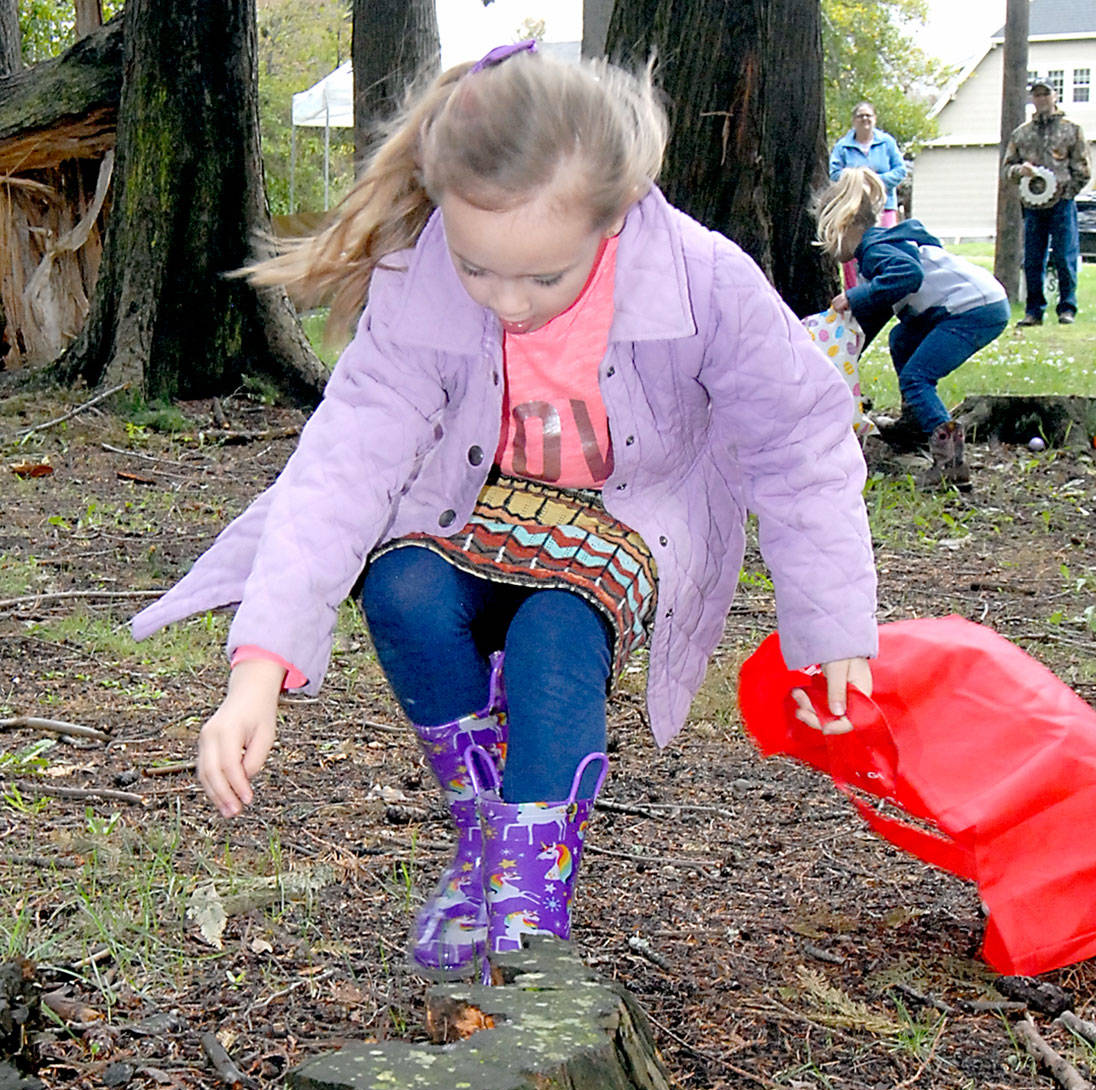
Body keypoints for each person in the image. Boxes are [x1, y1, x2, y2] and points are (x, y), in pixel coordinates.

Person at [132, 44, 878, 978]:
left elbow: (800, 436)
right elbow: (342, 467)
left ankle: (528, 913)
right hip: (480, 502)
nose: (508, 304)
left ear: (614, 218)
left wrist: (832, 616)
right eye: (479, 269)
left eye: (542, 278)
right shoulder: (422, 281)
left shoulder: (702, 279)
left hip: (628, 514)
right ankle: (489, 833)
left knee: (555, 642)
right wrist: (259, 666)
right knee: (401, 587)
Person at [818, 167, 1009, 491]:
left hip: (974, 309)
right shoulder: (876, 254)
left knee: (917, 377)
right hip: (964, 306)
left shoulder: (876, 250)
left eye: (827, 235)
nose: (828, 248)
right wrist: (839, 352)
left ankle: (951, 463)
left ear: (845, 224)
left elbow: (909, 276)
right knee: (902, 338)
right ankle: (916, 423)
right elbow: (874, 316)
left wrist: (853, 295)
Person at [1003, 79, 1091, 327]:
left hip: (1062, 204)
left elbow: (1083, 169)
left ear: (1055, 96)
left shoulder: (1071, 129)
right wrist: (1021, 170)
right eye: (1036, 95)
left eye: (1045, 94)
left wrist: (1067, 192)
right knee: (1032, 259)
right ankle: (1033, 311)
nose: (1041, 99)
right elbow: (1006, 169)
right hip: (1032, 206)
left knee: (1064, 256)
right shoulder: (1021, 134)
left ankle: (1067, 308)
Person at [828, 102, 907, 287]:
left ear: (875, 119)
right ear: (854, 121)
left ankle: (881, 291)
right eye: (860, 116)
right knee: (852, 252)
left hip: (884, 206)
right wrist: (857, 181)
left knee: (882, 247)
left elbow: (900, 170)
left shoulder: (886, 143)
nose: (865, 119)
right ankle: (853, 292)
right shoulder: (843, 147)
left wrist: (875, 182)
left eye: (868, 116)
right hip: (854, 209)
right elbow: (834, 174)